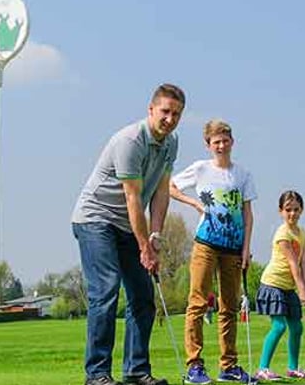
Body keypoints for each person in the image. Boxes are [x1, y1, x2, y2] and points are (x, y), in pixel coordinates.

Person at [71, 83, 185, 385]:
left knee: (143, 296)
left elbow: (161, 192)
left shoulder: (171, 144)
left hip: (125, 226)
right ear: (151, 110)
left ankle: (135, 371)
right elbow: (133, 198)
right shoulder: (130, 140)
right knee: (106, 291)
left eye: (176, 114)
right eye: (164, 112)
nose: (169, 119)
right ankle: (97, 374)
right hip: (95, 219)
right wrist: (144, 246)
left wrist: (156, 235)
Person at [169, 119, 256, 384]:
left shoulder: (242, 175)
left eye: (225, 140)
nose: (221, 145)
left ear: (232, 142)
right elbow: (170, 187)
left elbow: (247, 214)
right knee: (197, 302)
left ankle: (229, 365)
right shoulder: (200, 169)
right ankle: (195, 365)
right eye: (215, 141)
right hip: (205, 244)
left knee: (229, 308)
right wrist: (193, 203)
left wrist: (246, 248)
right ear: (208, 145)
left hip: (232, 248)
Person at [253, 191, 305, 382]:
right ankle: (262, 369)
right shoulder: (283, 234)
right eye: (288, 210)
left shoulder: (302, 233)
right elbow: (292, 264)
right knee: (279, 326)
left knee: (297, 328)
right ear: (281, 211)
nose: (292, 214)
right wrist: (302, 289)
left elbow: (304, 262)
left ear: (302, 210)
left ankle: (293, 368)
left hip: (289, 287)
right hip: (273, 284)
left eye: (296, 209)